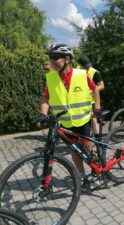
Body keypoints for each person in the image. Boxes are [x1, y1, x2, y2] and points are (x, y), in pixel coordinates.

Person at [38, 43, 101, 182]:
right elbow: (45, 98)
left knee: (87, 148)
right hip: (65, 122)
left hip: (83, 120)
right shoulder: (51, 77)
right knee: (74, 151)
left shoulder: (81, 74)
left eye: (55, 57)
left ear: (66, 59)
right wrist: (43, 114)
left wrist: (97, 107)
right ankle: (82, 176)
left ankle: (96, 170)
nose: (52, 61)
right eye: (50, 57)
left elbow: (95, 88)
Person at [77, 55, 104, 138]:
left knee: (93, 119)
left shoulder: (95, 72)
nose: (87, 69)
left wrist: (91, 91)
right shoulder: (76, 71)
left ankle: (98, 137)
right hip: (79, 100)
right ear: (79, 65)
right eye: (85, 67)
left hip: (90, 100)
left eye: (88, 66)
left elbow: (102, 86)